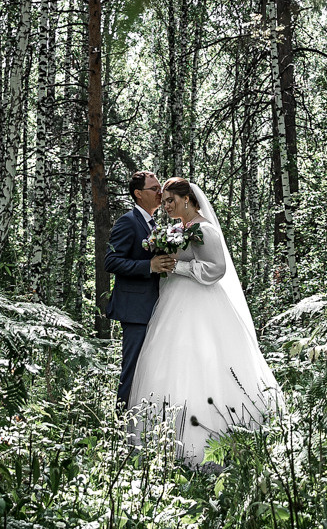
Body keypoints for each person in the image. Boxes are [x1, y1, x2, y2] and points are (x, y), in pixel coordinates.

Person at [125, 176, 281, 463]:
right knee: (172, 362)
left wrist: (178, 267)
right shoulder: (177, 229)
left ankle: (214, 440)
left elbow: (216, 269)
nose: (167, 205)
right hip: (174, 303)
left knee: (207, 362)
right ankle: (164, 440)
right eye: (165, 200)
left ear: (188, 199)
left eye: (171, 200)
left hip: (202, 303)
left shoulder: (204, 229)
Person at [104, 170, 176, 407]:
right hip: (135, 310)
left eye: (159, 188)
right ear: (138, 194)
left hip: (155, 306)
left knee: (151, 369)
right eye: (154, 189)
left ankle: (142, 422)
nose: (160, 193)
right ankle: (120, 425)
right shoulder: (128, 222)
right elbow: (111, 261)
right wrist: (150, 266)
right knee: (132, 369)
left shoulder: (154, 224)